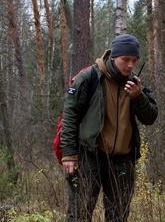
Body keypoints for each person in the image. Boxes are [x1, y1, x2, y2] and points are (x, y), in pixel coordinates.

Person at [60, 34, 158, 222]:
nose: (130, 65)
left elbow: (150, 117)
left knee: (118, 216)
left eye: (134, 61)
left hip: (122, 161)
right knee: (79, 214)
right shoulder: (90, 78)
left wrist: (138, 97)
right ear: (113, 57)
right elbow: (70, 116)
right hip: (90, 157)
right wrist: (69, 154)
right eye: (125, 60)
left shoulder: (136, 84)